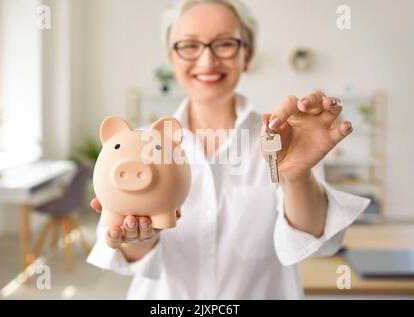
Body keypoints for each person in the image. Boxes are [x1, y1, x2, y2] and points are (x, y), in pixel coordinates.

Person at [87, 0, 370, 299]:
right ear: (172, 57)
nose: (207, 61)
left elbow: (315, 242)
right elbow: (125, 253)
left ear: (246, 55)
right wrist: (139, 237)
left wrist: (296, 177)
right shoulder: (137, 143)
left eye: (224, 44)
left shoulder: (284, 138)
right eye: (189, 45)